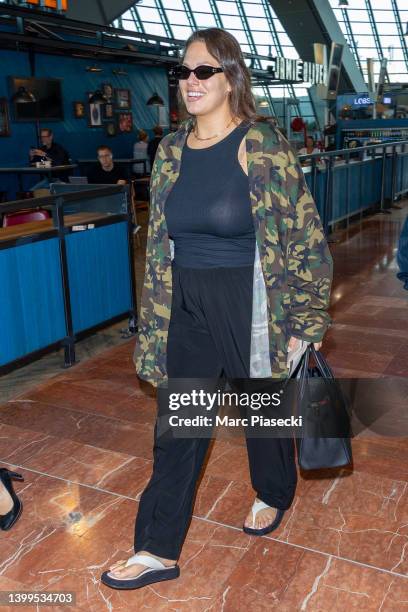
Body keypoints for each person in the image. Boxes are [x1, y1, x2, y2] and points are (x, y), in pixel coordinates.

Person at [101, 27, 332, 591]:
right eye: (183, 72)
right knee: (180, 423)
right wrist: (157, 316)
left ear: (231, 78)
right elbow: (159, 241)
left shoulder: (263, 143)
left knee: (262, 413)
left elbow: (304, 235)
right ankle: (157, 548)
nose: (190, 82)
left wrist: (306, 320)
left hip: (251, 295)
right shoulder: (170, 150)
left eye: (203, 71)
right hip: (186, 298)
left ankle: (273, 492)